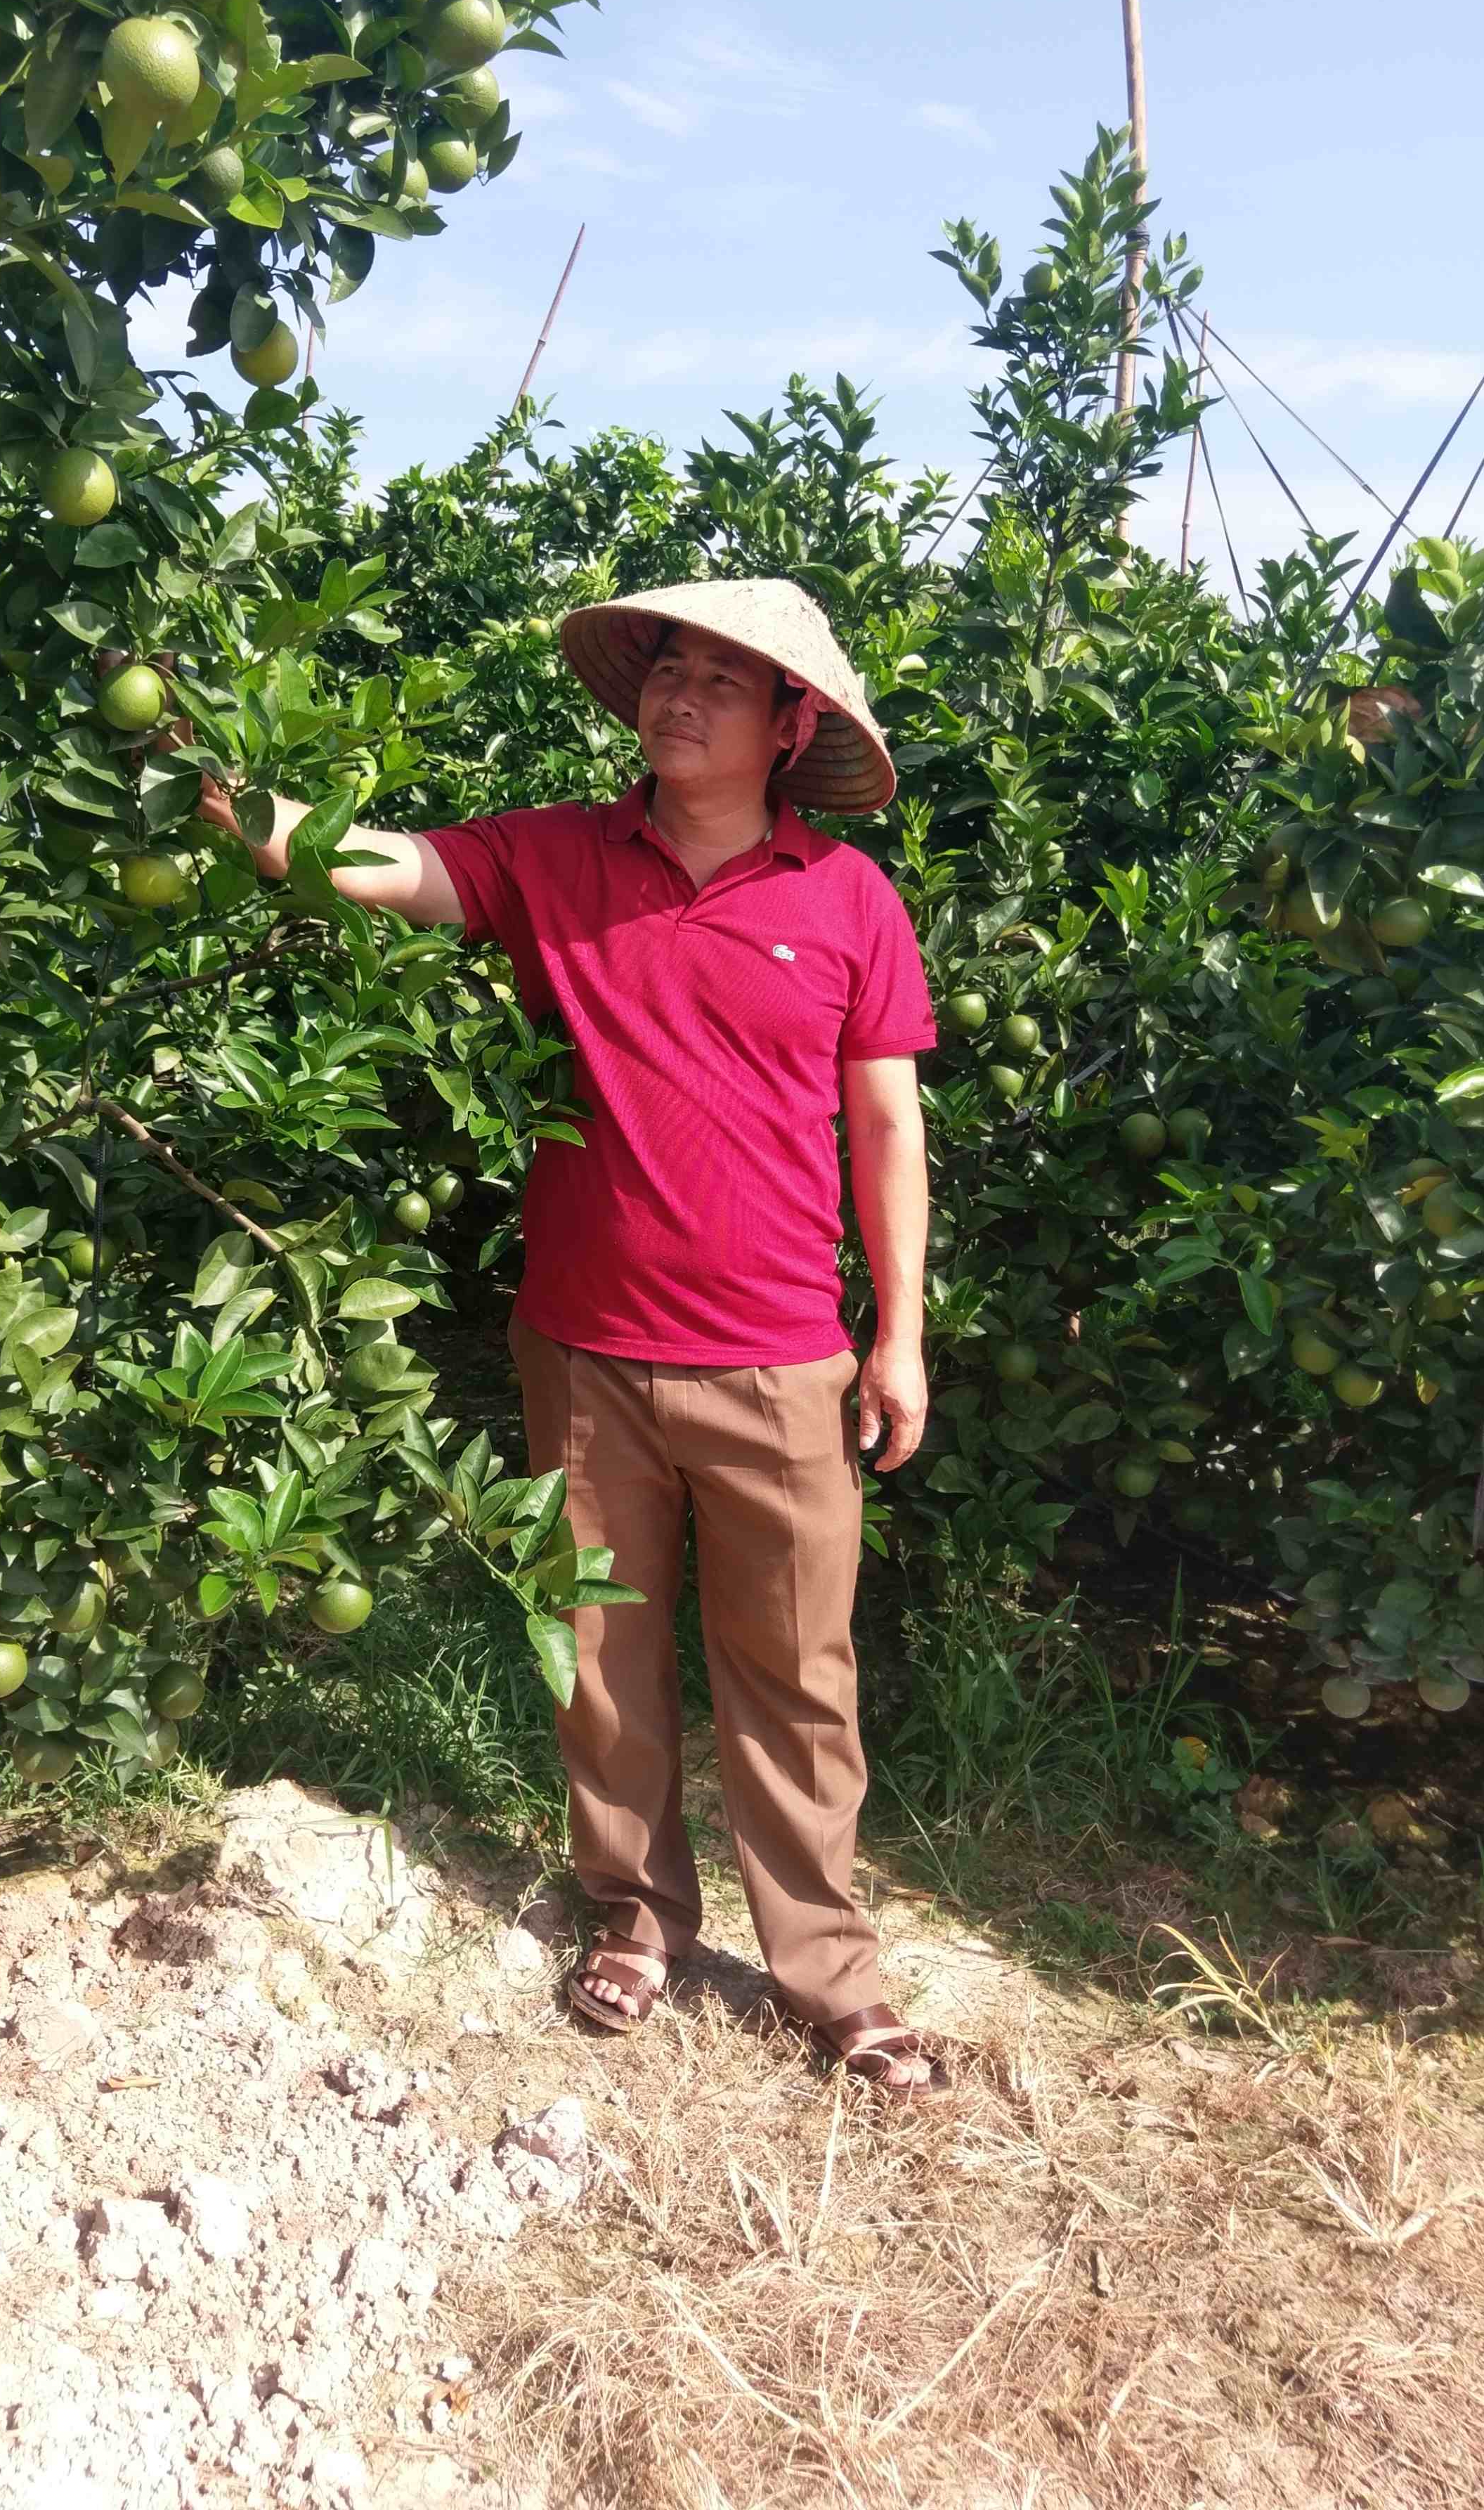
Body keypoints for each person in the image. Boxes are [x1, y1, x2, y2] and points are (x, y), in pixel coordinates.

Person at [200, 578, 939, 2097]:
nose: (681, 694)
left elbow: (887, 1126)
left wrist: (901, 1335)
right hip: (586, 1350)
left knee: (798, 1676)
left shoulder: (850, 897)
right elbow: (384, 863)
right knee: (600, 1658)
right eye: (669, 667)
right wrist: (221, 793)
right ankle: (636, 1915)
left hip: (782, 1356)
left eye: (723, 679)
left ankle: (829, 1973)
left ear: (791, 723)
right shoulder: (552, 854)